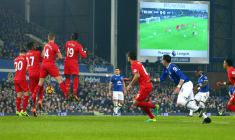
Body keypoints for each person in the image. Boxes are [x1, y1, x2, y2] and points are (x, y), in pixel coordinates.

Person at [148, 55, 211, 124]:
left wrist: (178, 87)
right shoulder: (165, 68)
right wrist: (152, 80)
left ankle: (199, 109)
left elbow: (182, 77)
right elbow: (162, 79)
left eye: (162, 59)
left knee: (180, 101)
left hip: (186, 84)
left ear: (164, 60)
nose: (161, 61)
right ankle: (206, 118)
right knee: (188, 103)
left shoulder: (173, 67)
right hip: (185, 85)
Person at [29, 33, 72, 108]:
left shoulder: (45, 46)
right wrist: (55, 58)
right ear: (54, 38)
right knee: (60, 81)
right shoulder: (55, 46)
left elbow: (42, 56)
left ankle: (32, 97)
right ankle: (66, 96)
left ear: (48, 38)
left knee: (39, 83)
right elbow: (61, 57)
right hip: (50, 65)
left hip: (44, 65)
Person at [123, 51, 159, 122]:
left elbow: (137, 75)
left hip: (146, 85)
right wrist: (129, 79)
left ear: (129, 58)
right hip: (147, 85)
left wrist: (130, 84)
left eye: (127, 56)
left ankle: (155, 107)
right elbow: (139, 75)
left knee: (135, 103)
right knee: (142, 103)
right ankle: (152, 118)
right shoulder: (138, 63)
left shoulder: (133, 64)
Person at [64, 33, 88, 102]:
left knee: (67, 78)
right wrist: (85, 51)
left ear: (71, 37)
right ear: (77, 38)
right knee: (75, 78)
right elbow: (83, 56)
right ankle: (74, 94)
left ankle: (67, 93)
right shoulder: (78, 45)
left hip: (66, 61)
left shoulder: (67, 43)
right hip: (73, 62)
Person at [26, 42, 44, 117]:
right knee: (41, 86)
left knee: (33, 91)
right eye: (34, 45)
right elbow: (41, 60)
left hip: (31, 75)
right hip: (38, 73)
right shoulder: (37, 53)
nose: (35, 46)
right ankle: (40, 100)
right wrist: (41, 50)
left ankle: (34, 109)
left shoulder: (26, 54)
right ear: (32, 46)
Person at [14, 49, 29, 117]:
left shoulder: (15, 59)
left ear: (20, 53)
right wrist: (25, 72)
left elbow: (16, 68)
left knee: (19, 95)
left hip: (15, 79)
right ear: (25, 53)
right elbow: (27, 68)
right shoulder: (26, 58)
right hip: (22, 78)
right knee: (26, 93)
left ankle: (18, 111)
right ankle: (23, 110)